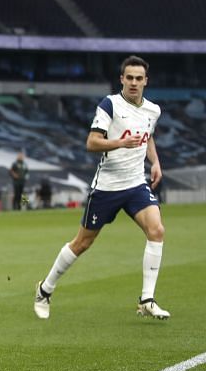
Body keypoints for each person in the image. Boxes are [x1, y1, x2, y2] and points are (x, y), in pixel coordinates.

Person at [34, 55, 169, 320]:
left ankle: (147, 299)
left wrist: (155, 162)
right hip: (107, 187)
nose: (133, 83)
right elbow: (92, 142)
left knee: (157, 230)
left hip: (135, 184)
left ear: (146, 81)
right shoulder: (110, 105)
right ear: (121, 79)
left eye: (138, 78)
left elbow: (148, 135)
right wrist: (119, 143)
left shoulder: (153, 110)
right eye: (128, 77)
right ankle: (44, 289)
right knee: (83, 242)